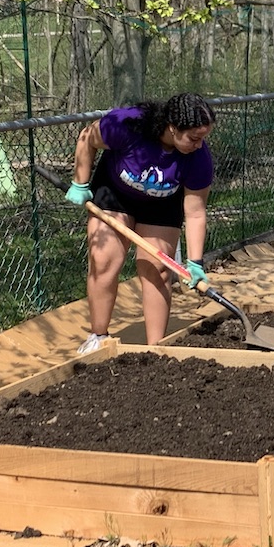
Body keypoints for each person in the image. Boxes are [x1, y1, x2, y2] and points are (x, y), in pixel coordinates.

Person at [66, 92, 216, 353]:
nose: (199, 144)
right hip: (114, 194)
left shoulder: (199, 158)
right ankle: (98, 336)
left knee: (157, 268)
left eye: (203, 138)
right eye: (193, 137)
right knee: (104, 260)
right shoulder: (127, 124)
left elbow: (195, 212)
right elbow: (86, 137)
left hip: (162, 202)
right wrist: (80, 182)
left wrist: (195, 262)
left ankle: (156, 349)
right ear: (172, 126)